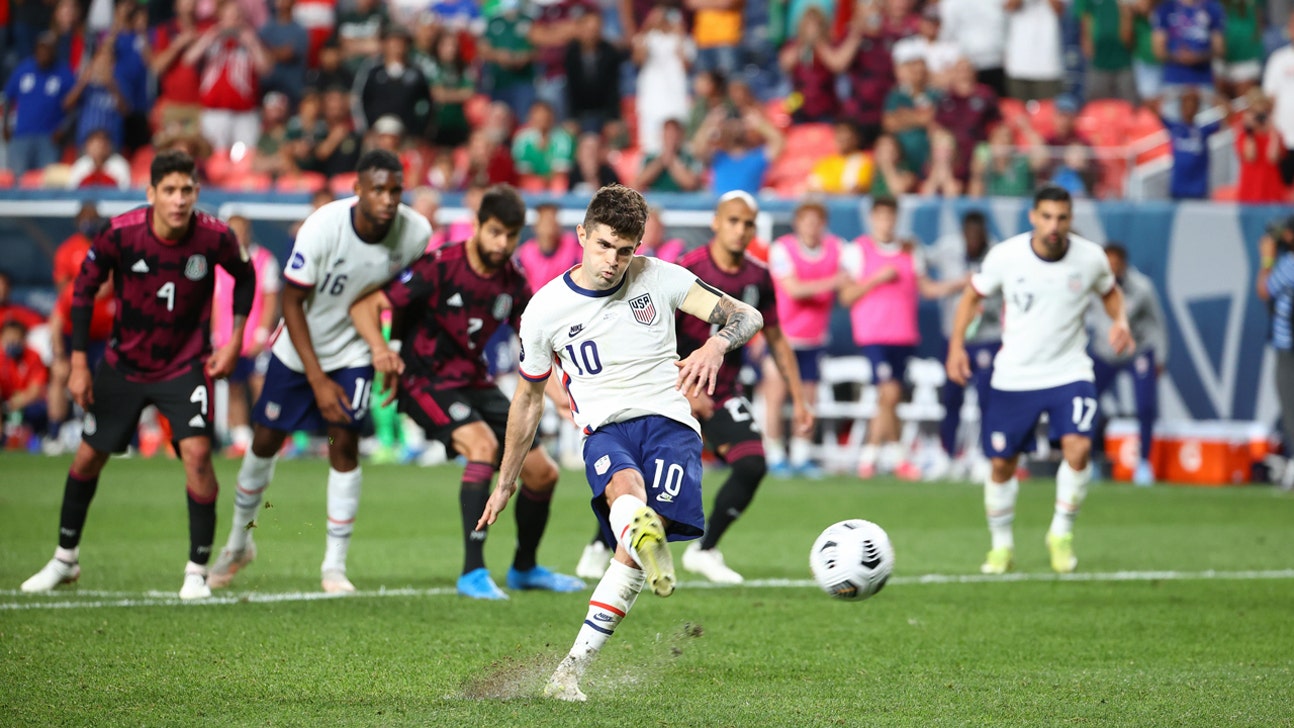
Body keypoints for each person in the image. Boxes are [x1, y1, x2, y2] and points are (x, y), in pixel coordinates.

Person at [475, 184, 763, 702]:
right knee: (626, 494)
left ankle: (569, 671)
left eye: (625, 249)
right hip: (605, 428)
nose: (612, 261)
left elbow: (747, 315)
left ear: (638, 247)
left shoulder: (662, 278)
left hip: (671, 424)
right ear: (582, 235)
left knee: (631, 548)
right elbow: (528, 399)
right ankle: (637, 526)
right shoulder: (544, 310)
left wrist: (717, 344)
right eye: (604, 245)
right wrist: (506, 480)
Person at [20, 150, 256, 599]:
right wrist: (77, 364)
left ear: (197, 192)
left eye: (187, 190)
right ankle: (64, 560)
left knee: (198, 456)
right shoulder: (121, 234)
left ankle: (195, 571)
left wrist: (233, 340)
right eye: (169, 190)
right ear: (151, 194)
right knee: (88, 458)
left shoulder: (215, 237)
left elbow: (244, 278)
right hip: (124, 365)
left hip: (185, 365)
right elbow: (83, 291)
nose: (179, 199)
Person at [207, 150, 429, 594]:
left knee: (343, 439)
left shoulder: (416, 233)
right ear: (358, 191)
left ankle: (333, 566)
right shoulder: (323, 227)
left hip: (353, 351)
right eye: (378, 189)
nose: (387, 199)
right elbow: (291, 303)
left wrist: (392, 349)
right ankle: (237, 544)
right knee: (265, 441)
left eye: (395, 190)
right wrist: (317, 380)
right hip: (298, 349)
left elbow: (404, 297)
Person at [348, 185, 584, 600]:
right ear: (476, 225)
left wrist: (564, 397)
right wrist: (382, 350)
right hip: (425, 381)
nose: (502, 243)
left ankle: (525, 568)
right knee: (482, 444)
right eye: (494, 232)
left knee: (543, 473)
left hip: (475, 381)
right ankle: (472, 572)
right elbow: (366, 306)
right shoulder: (439, 266)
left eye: (511, 235)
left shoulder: (512, 279)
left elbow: (534, 348)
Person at [945, 185, 1134, 575]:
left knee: (1078, 449)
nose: (1054, 226)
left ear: (1070, 219)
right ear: (1033, 216)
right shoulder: (1006, 256)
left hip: (1070, 371)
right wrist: (956, 347)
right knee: (1001, 464)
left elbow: (1110, 292)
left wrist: (1121, 321)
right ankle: (1001, 546)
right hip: (1015, 375)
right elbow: (971, 297)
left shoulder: (1090, 258)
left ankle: (1061, 534)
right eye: (1046, 217)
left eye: (1062, 218)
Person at [673, 191, 814, 584]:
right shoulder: (688, 271)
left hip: (722, 390)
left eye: (748, 224)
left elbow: (776, 338)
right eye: (733, 221)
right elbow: (656, 332)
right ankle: (601, 545)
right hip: (674, 385)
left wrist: (800, 400)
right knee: (649, 473)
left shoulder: (758, 276)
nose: (740, 230)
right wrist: (681, 385)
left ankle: (705, 550)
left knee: (752, 462)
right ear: (716, 222)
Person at [840, 195, 960, 479]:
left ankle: (873, 457)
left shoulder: (910, 250)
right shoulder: (858, 250)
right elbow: (846, 296)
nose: (886, 223)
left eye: (890, 217)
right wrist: (875, 279)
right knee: (889, 392)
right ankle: (892, 456)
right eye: (880, 217)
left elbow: (927, 289)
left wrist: (961, 285)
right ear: (872, 219)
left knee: (889, 398)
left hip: (903, 335)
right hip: (873, 334)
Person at [764, 200, 847, 476]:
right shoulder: (782, 249)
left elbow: (854, 272)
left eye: (816, 222)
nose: (811, 227)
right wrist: (834, 282)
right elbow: (794, 289)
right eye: (806, 221)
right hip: (783, 336)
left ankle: (801, 456)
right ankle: (775, 454)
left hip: (814, 338)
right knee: (775, 396)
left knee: (808, 399)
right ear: (797, 223)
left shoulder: (835, 248)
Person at [1088, 243, 1168, 486]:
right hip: (1105, 351)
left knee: (1145, 406)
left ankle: (1144, 463)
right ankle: (1090, 460)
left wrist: (1161, 357)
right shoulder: (1092, 286)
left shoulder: (1141, 287)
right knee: (1086, 402)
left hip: (1137, 350)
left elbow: (1158, 322)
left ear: (1124, 264)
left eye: (1115, 264)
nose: (1112, 269)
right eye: (1107, 264)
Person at [929, 210, 995, 480]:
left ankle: (984, 455)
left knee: (987, 400)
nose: (973, 239)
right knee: (951, 398)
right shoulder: (948, 250)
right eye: (969, 234)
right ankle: (947, 455)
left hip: (988, 336)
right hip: (956, 338)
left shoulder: (997, 256)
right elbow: (922, 258)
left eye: (977, 235)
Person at [212, 214, 282, 457]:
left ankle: (270, 436)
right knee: (234, 388)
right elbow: (215, 302)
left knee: (262, 386)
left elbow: (271, 298)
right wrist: (214, 336)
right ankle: (242, 437)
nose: (237, 235)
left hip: (254, 337)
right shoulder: (218, 262)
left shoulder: (264, 260)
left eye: (240, 230)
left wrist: (262, 335)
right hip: (227, 339)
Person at [1257, 216, 1294, 491]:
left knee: (1290, 408)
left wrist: (1267, 260)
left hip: (1289, 349)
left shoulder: (1289, 264)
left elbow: (1265, 289)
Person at [514, 202, 582, 291]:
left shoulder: (573, 247)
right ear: (536, 226)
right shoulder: (524, 254)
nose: (549, 226)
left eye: (552, 221)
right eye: (545, 222)